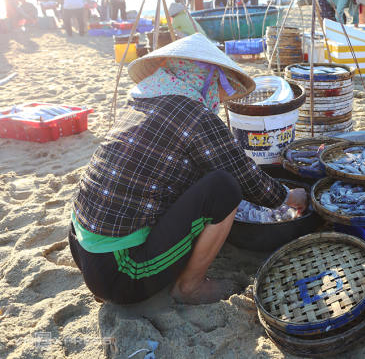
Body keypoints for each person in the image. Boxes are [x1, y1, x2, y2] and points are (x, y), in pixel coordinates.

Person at [69, 33, 309, 305]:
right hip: (122, 275)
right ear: (204, 80)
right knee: (224, 188)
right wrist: (291, 197)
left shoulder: (142, 100)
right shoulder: (192, 114)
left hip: (84, 251)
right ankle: (190, 286)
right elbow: (246, 179)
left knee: (204, 174)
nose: (219, 100)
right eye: (219, 89)